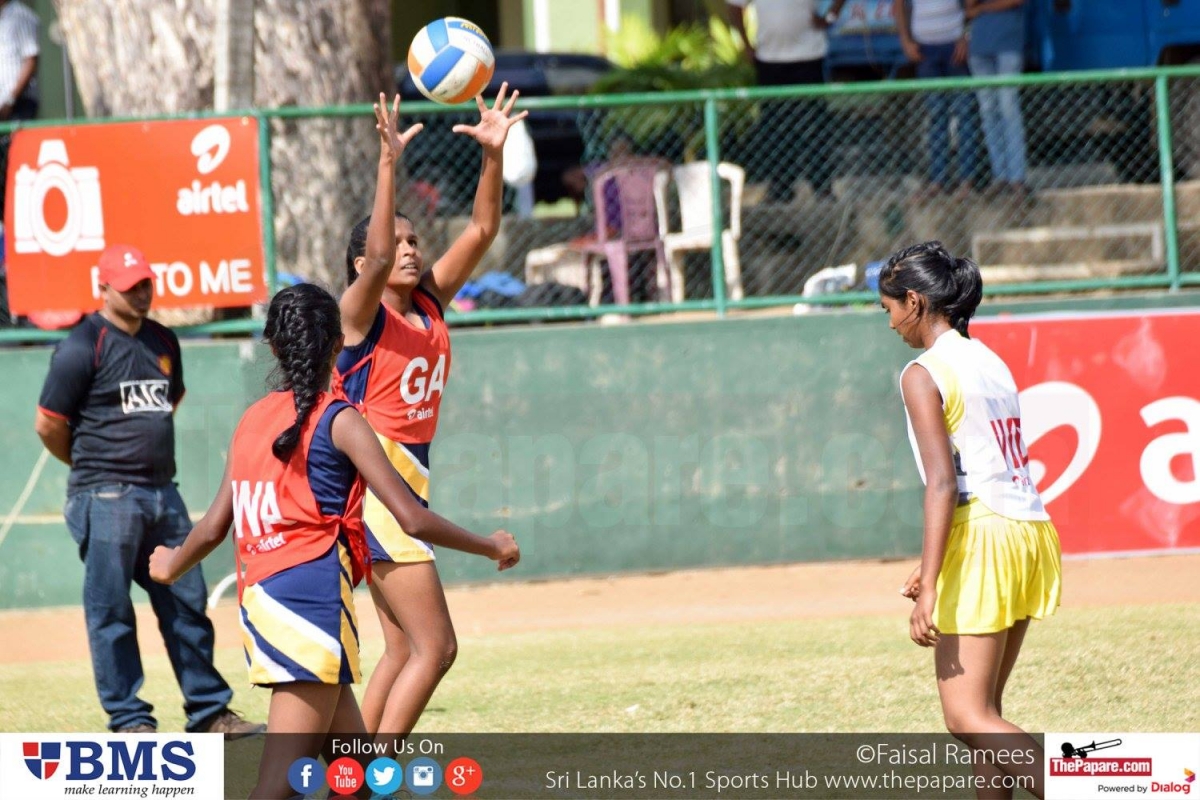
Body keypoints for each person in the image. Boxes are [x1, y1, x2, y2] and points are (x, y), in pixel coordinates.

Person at [148, 283, 518, 798]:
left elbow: (213, 527)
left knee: (356, 781)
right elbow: (411, 519)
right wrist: (491, 545)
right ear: (339, 342)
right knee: (276, 788)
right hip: (311, 611)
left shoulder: (252, 420)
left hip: (266, 606)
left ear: (273, 346)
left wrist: (171, 564)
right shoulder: (340, 419)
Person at [336, 88, 526, 737]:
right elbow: (377, 258)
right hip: (376, 492)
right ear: (364, 263)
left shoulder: (429, 301)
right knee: (437, 648)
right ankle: (371, 771)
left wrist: (493, 155)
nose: (410, 250)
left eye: (416, 240)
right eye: (397, 242)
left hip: (405, 484)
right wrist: (389, 163)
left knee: (399, 650)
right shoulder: (361, 316)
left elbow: (482, 230)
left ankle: (348, 770)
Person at [34, 244, 263, 736]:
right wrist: (92, 465)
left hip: (162, 493)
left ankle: (210, 712)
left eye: (145, 283)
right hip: (104, 495)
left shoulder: (163, 340)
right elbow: (48, 423)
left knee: (186, 601)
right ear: (103, 288)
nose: (141, 293)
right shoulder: (83, 345)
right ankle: (130, 718)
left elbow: (168, 402)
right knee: (112, 610)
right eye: (129, 286)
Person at [879, 241, 1059, 799]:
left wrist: (932, 584)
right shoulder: (989, 360)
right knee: (986, 713)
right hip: (1027, 528)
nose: (891, 324)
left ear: (913, 301)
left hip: (984, 533)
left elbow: (942, 483)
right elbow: (981, 464)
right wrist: (935, 560)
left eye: (889, 309)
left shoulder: (922, 372)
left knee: (965, 717)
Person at [728, 0, 845, 201]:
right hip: (769, 59)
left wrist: (830, 17)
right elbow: (734, 6)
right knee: (774, 126)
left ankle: (823, 187)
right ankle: (781, 188)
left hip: (809, 56)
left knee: (815, 125)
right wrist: (746, 45)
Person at [895, 0, 981, 200]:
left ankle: (967, 181)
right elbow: (899, 5)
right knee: (935, 114)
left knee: (965, 113)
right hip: (924, 49)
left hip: (954, 46)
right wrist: (906, 41)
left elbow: (972, 4)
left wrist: (966, 36)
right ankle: (937, 181)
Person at [966, 0, 1029, 202]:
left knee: (1008, 109)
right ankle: (1000, 176)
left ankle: (1016, 178)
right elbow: (969, 6)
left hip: (1008, 45)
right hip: (979, 47)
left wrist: (983, 8)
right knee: (988, 112)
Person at [0, 0, 38, 220]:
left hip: (18, 106)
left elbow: (30, 59)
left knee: (15, 164)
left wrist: (11, 99)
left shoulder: (20, 15)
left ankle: (19, 217)